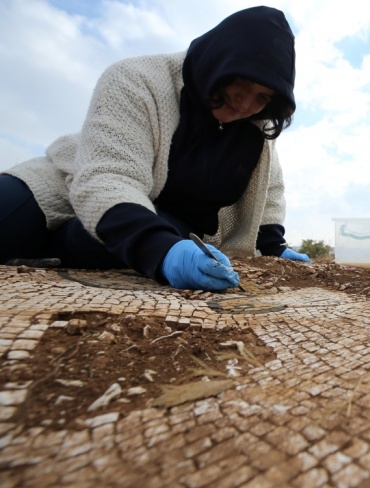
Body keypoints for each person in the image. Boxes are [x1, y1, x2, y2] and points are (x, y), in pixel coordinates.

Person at [0, 6, 310, 291]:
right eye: (240, 83)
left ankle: (61, 246)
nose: (245, 104)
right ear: (217, 61)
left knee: (144, 233)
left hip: (156, 223)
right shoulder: (137, 80)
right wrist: (158, 246)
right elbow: (107, 178)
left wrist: (273, 246)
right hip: (67, 186)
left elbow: (268, 190)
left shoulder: (255, 130)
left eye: (263, 96)